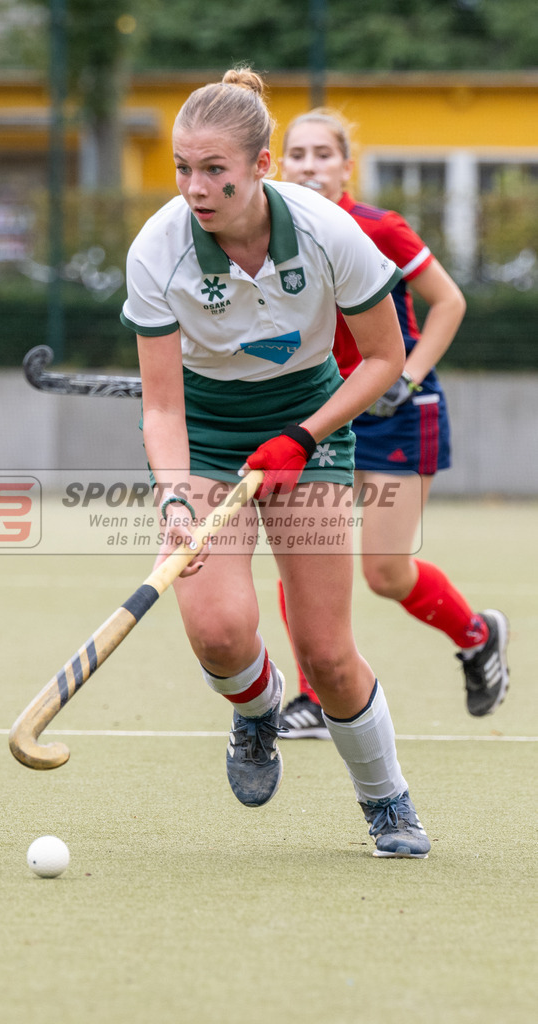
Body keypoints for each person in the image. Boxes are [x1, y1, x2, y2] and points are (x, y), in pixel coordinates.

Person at [120, 67, 431, 858]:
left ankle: (385, 800)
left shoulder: (328, 230)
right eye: (183, 169)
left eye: (214, 170)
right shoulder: (157, 249)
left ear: (260, 167)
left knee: (326, 655)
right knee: (219, 632)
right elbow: (160, 406)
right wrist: (175, 503)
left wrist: (301, 434)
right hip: (207, 435)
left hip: (313, 427)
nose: (195, 187)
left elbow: (384, 359)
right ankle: (255, 711)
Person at [276, 108, 510, 740]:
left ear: (346, 165)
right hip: (323, 412)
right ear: (277, 164)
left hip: (397, 414)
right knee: (303, 558)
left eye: (324, 154)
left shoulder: (378, 227)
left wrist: (405, 376)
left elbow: (448, 302)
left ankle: (477, 635)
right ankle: (315, 698)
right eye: (298, 154)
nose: (310, 166)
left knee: (386, 574)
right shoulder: (269, 236)